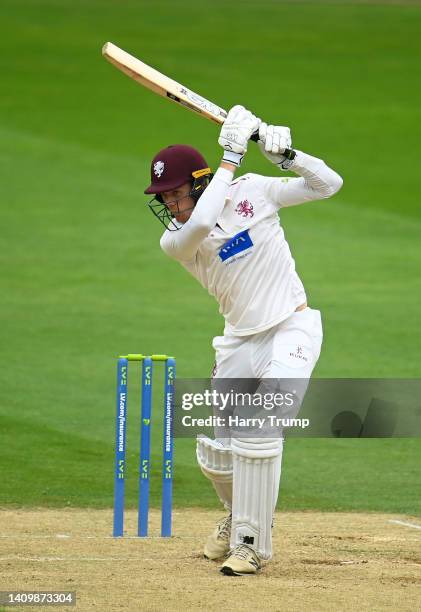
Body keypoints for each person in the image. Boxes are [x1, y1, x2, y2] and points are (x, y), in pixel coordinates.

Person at [144, 105, 343, 576]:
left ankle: (251, 544)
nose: (168, 205)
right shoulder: (177, 239)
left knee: (259, 429)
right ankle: (239, 516)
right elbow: (199, 223)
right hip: (238, 341)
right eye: (163, 198)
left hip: (291, 329)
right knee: (215, 446)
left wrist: (288, 155)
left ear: (196, 182)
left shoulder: (253, 191)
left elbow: (328, 184)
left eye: (173, 194)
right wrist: (232, 153)